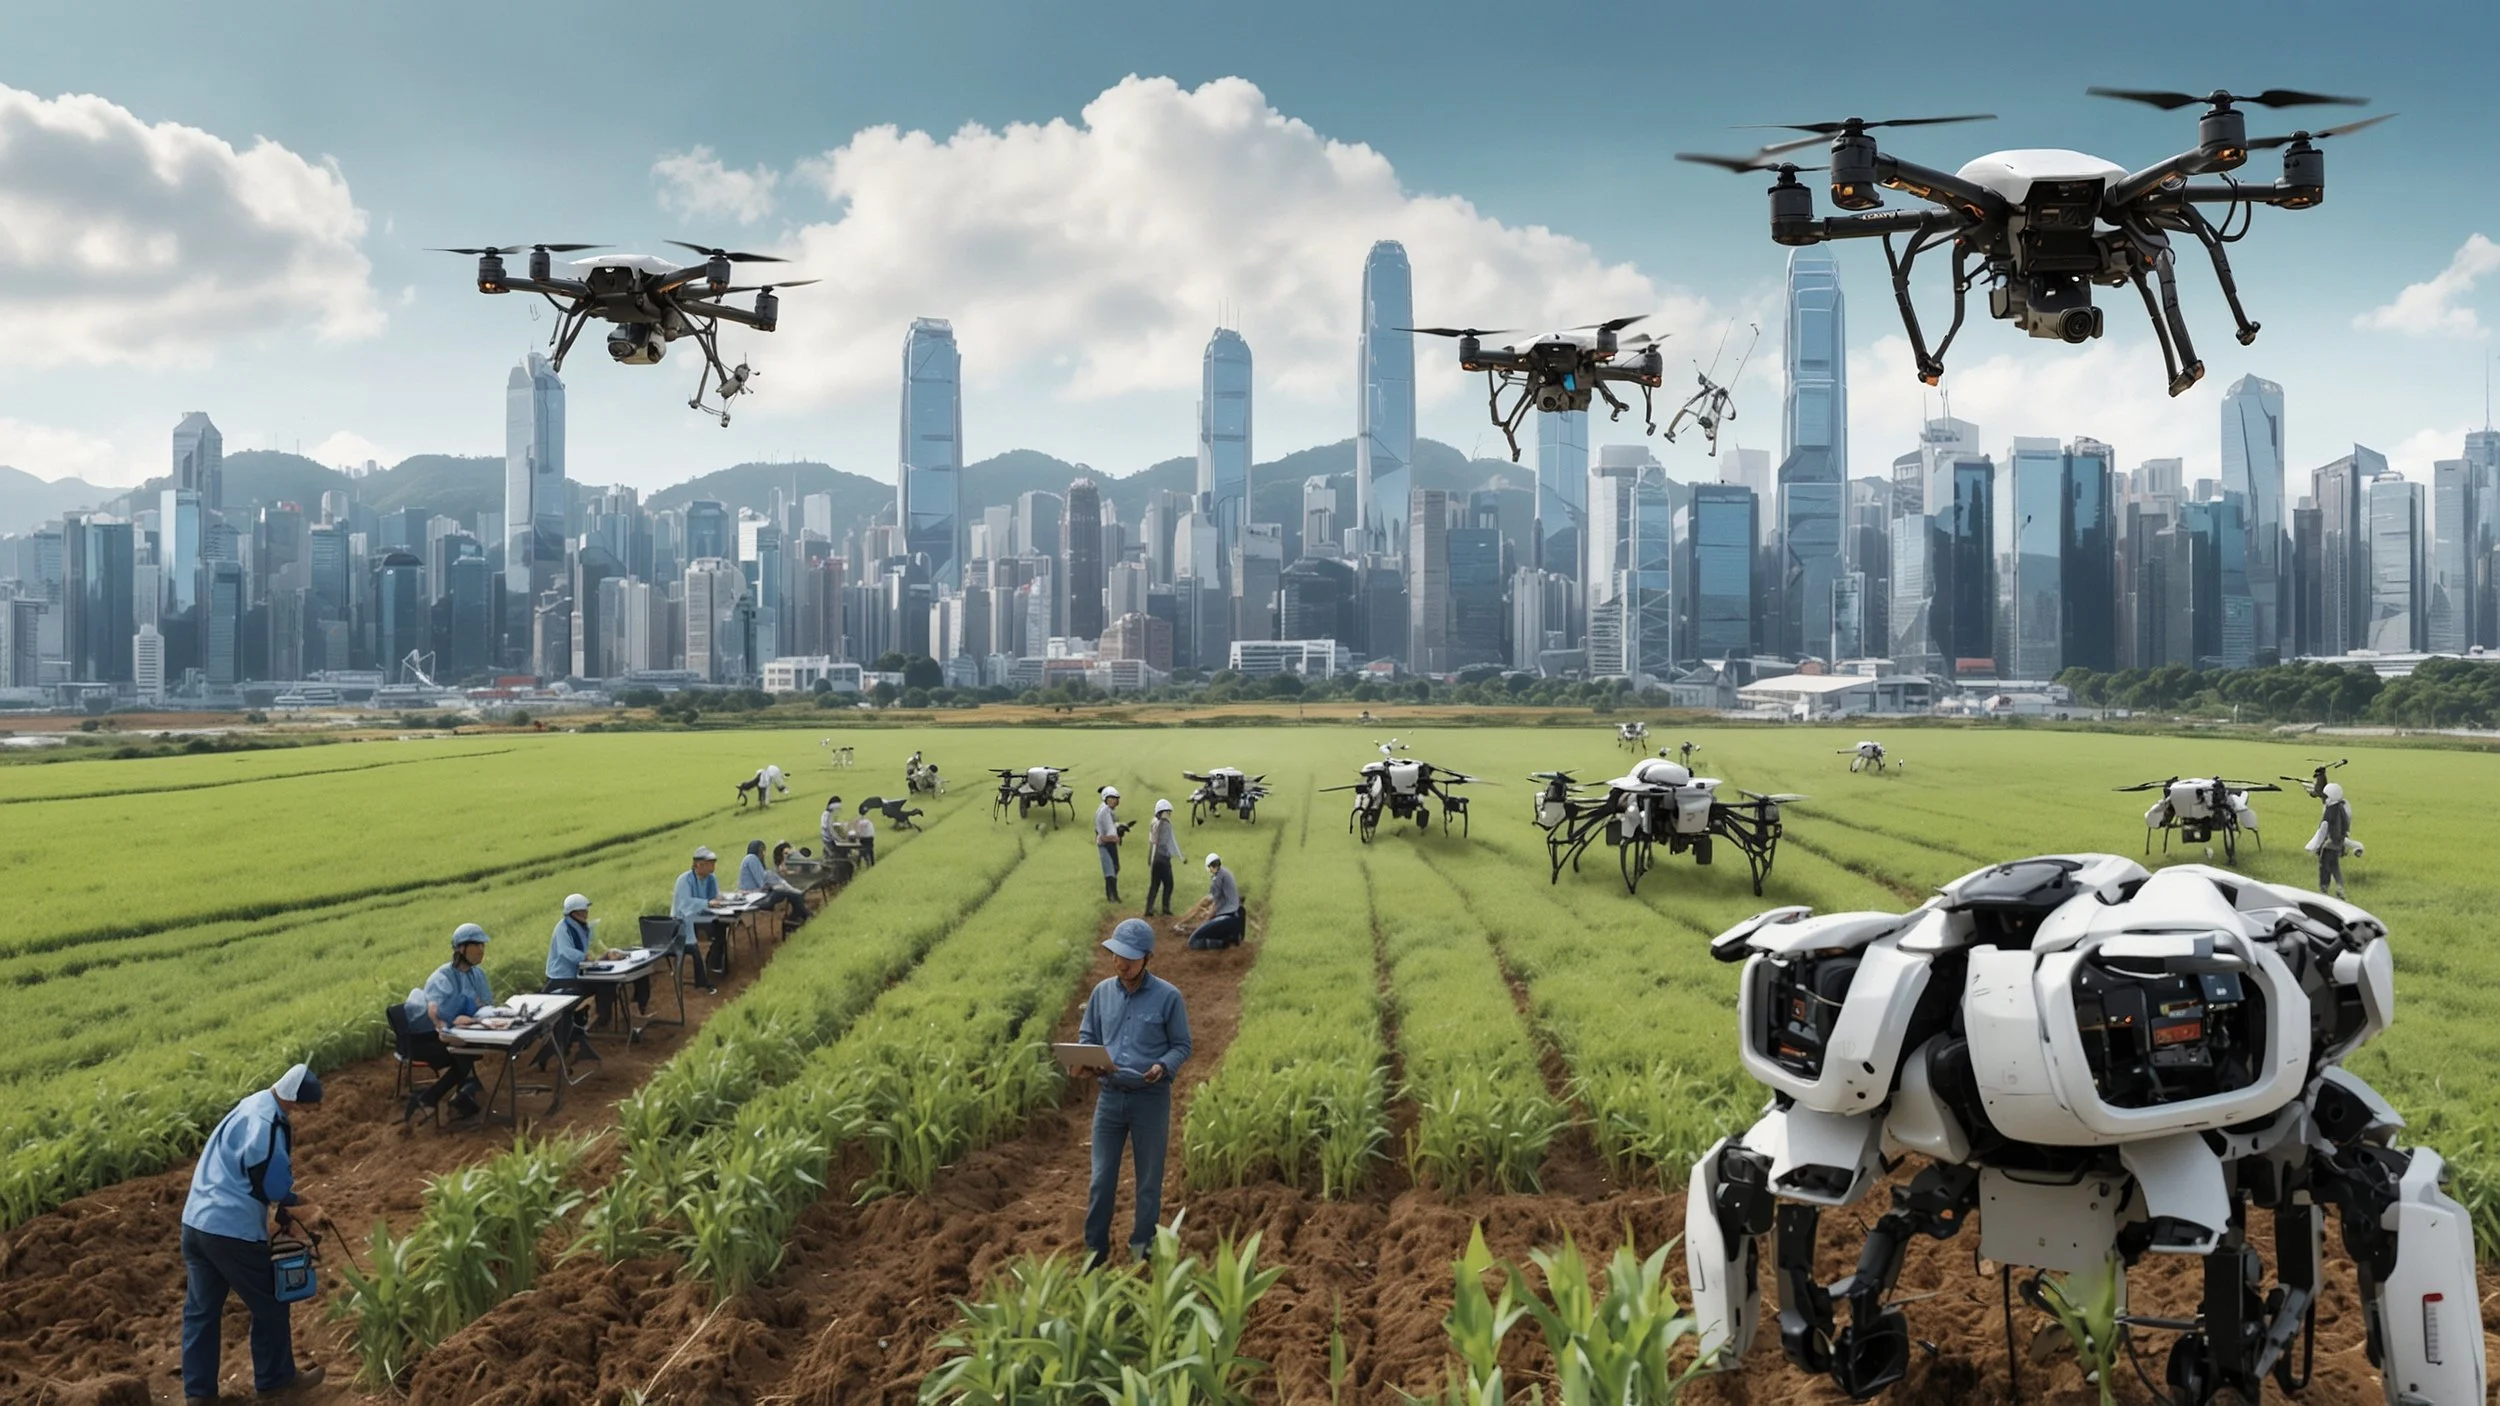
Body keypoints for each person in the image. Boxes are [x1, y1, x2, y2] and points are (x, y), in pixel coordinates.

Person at [180, 1063, 333, 1404]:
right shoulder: (269, 1125)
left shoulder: (253, 1104)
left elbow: (249, 1171)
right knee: (271, 1303)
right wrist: (295, 1208)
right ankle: (275, 1382)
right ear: (296, 1101)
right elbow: (272, 1183)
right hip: (230, 1230)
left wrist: (288, 1206)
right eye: (309, 1107)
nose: (310, 1112)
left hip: (195, 1222)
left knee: (201, 1312)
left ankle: (199, 1395)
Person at [1075, 919, 1191, 1269]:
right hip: (1110, 1098)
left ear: (1147, 958)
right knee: (1101, 1180)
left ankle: (1143, 1253)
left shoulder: (1168, 997)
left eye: (1128, 957)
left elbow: (1182, 1045)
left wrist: (1163, 1066)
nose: (1120, 963)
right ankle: (1094, 1255)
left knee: (1148, 1183)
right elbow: (1087, 1035)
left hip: (1150, 1099)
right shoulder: (1102, 993)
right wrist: (1086, 1059)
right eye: (1115, 955)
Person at [401, 924, 494, 1121]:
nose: (481, 950)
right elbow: (434, 1011)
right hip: (429, 1038)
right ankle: (433, 1099)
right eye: (476, 945)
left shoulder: (477, 975)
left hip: (459, 1033)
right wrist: (449, 1022)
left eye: (483, 945)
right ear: (461, 948)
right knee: (463, 1057)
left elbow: (483, 1002)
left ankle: (456, 1096)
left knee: (467, 1053)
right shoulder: (442, 976)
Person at [541, 893, 631, 1060]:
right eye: (583, 911)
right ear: (573, 913)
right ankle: (570, 1035)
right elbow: (566, 952)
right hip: (562, 977)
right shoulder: (563, 929)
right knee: (576, 999)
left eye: (586, 910)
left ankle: (602, 1019)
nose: (586, 913)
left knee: (607, 984)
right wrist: (584, 957)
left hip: (579, 974)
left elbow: (590, 946)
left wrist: (603, 954)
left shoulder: (583, 927)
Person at [673, 847, 726, 993]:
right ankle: (703, 980)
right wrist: (707, 903)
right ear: (698, 865)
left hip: (702, 915)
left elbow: (713, 897)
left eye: (714, 862)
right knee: (697, 943)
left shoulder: (711, 878)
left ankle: (713, 962)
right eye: (710, 863)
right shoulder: (684, 880)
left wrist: (717, 900)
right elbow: (685, 904)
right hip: (684, 919)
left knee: (721, 927)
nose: (713, 866)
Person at [739, 838, 809, 926]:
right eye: (761, 851)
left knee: (787, 891)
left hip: (757, 894)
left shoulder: (752, 860)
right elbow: (762, 882)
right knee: (786, 892)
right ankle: (803, 914)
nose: (763, 854)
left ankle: (798, 913)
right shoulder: (751, 858)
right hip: (754, 896)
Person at [1185, 852, 1245, 950]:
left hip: (1226, 917)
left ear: (1210, 867)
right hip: (1235, 915)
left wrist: (1207, 919)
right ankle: (1230, 939)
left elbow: (1215, 904)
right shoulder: (1227, 872)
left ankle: (1222, 944)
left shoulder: (1217, 879)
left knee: (1194, 941)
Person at [2310, 782, 2356, 897]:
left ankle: (2323, 889)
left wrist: (2315, 845)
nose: (2324, 799)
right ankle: (2340, 887)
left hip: (2330, 844)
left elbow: (2323, 829)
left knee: (2324, 866)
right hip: (2338, 843)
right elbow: (2345, 824)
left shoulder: (2330, 811)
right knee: (2334, 866)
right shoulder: (2341, 807)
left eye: (2326, 797)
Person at [1144, 799, 1181, 918]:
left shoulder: (1153, 823)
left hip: (1155, 858)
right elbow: (1166, 843)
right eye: (1167, 812)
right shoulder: (1166, 825)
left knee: (1154, 884)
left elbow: (1151, 842)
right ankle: (1165, 909)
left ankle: (1149, 909)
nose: (1169, 815)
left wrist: (1150, 858)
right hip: (1163, 858)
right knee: (1169, 884)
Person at [1095, 786, 1126, 903]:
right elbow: (1105, 832)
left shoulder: (1108, 810)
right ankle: (1111, 896)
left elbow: (1111, 825)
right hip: (1105, 843)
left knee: (1114, 868)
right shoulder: (1104, 811)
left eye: (1115, 799)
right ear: (1106, 798)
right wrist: (1115, 838)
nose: (1114, 801)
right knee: (1110, 870)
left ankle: (1113, 895)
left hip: (1109, 842)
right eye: (1111, 798)